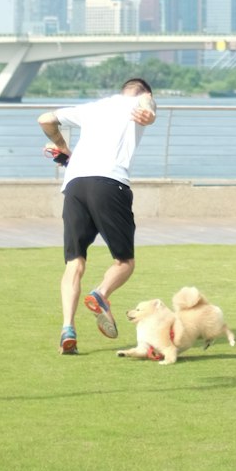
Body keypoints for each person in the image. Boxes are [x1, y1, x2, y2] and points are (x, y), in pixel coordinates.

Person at [38, 78, 157, 355]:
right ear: (146, 93)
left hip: (75, 186)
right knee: (125, 262)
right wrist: (149, 114)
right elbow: (146, 106)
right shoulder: (140, 101)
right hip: (110, 184)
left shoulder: (92, 108)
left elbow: (44, 118)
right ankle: (101, 293)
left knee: (74, 262)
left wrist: (61, 145)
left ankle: (68, 328)